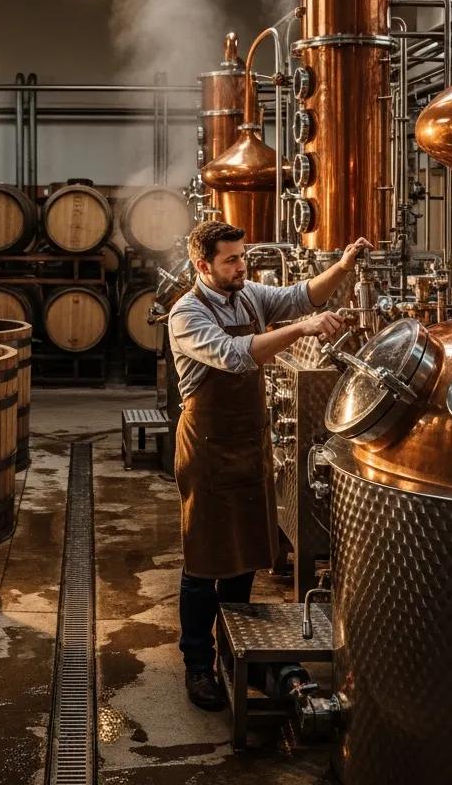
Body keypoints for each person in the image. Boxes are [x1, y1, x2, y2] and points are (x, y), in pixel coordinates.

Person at [167, 220, 372, 710]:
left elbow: (302, 295)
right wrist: (298, 330)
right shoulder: (186, 314)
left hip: (248, 442)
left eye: (243, 257)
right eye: (232, 260)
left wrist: (342, 267)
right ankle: (197, 662)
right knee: (204, 561)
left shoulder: (247, 296)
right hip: (210, 447)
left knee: (243, 557)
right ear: (203, 266)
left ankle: (233, 650)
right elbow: (236, 356)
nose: (243, 267)